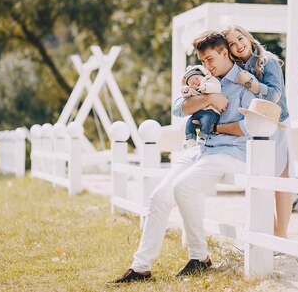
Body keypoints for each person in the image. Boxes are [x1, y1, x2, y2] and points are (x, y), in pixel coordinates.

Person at [108, 31, 256, 283]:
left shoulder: (244, 83)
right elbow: (179, 108)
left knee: (183, 187)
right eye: (203, 61)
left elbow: (248, 127)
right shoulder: (205, 79)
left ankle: (199, 257)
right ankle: (141, 268)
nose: (206, 66)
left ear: (223, 52)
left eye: (210, 59)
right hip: (201, 150)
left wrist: (212, 128)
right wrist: (210, 98)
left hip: (230, 151)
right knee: (158, 197)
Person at [221, 24, 295, 238]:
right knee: (259, 177)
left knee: (281, 179)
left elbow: (274, 95)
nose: (238, 46)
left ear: (248, 37)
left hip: (276, 122)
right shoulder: (235, 68)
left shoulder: (267, 60)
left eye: (240, 39)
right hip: (253, 125)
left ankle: (282, 234)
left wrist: (251, 83)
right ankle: (269, 231)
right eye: (232, 44)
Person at [180, 64, 222, 149]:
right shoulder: (194, 91)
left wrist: (206, 87)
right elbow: (187, 94)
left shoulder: (210, 80)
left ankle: (203, 137)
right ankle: (190, 139)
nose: (196, 82)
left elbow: (217, 87)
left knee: (206, 121)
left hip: (211, 111)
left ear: (202, 75)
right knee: (190, 122)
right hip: (198, 112)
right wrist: (185, 90)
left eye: (197, 79)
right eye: (192, 84)